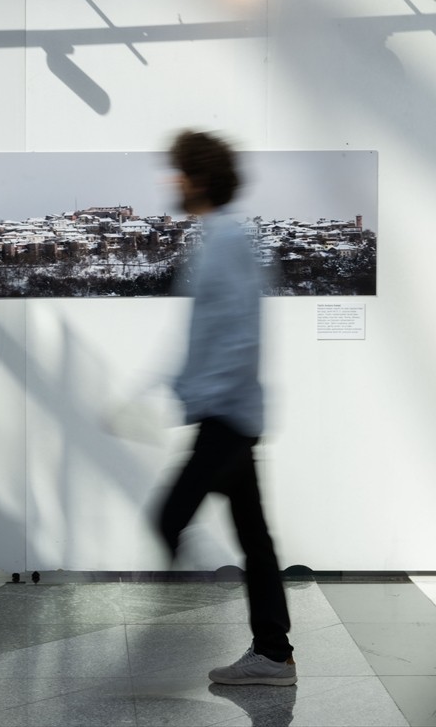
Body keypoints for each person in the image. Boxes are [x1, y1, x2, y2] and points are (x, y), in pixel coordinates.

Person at [157, 130, 296, 686]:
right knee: (256, 540)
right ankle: (273, 654)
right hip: (229, 411)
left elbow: (239, 334)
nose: (173, 180)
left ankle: (167, 643)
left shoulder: (227, 240)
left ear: (199, 179)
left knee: (169, 518)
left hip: (227, 416)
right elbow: (211, 331)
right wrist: (177, 383)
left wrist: (207, 395)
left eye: (180, 171)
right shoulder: (217, 238)